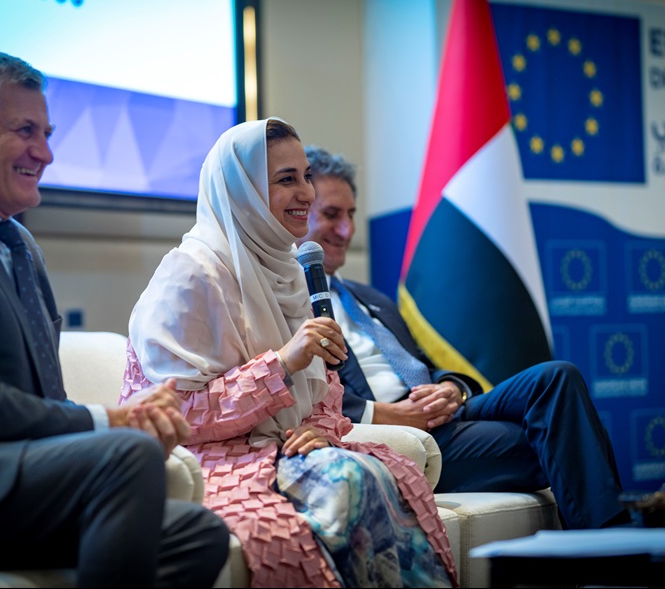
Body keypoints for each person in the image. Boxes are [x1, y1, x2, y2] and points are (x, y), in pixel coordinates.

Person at [0, 51, 229, 588]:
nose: (45, 153)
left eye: (46, 134)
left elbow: (40, 402)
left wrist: (127, 420)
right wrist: (111, 423)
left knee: (197, 534)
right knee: (126, 456)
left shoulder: (19, 244)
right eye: (25, 131)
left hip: (3, 472)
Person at [121, 118, 458, 588]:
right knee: (349, 482)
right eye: (286, 179)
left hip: (282, 448)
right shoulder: (190, 274)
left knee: (387, 475)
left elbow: (323, 393)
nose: (306, 193)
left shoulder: (290, 269)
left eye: (306, 176)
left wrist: (319, 429)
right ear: (243, 190)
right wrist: (281, 364)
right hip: (209, 459)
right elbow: (177, 413)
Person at [296, 145, 631, 530]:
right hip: (395, 431)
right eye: (332, 215)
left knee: (557, 378)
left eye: (351, 215)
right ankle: (612, 544)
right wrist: (389, 414)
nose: (347, 230)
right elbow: (308, 394)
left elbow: (423, 364)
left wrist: (453, 389)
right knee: (572, 434)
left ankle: (609, 544)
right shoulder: (289, 301)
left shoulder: (369, 297)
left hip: (439, 410)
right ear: (300, 213)